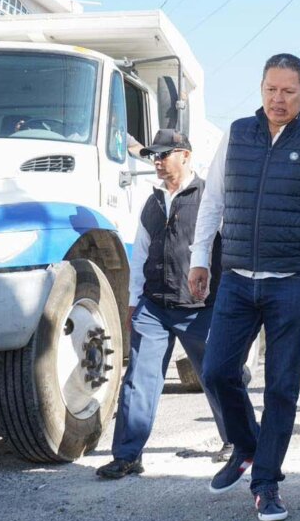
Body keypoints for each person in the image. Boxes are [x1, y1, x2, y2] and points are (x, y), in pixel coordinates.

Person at [189, 53, 300, 521]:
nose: (278, 99)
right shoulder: (237, 134)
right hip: (237, 278)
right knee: (217, 371)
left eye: (288, 92)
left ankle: (266, 484)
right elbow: (213, 200)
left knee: (281, 386)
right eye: (271, 89)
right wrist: (200, 259)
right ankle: (246, 445)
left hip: (292, 282)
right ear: (261, 89)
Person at [96, 129, 230, 479]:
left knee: (217, 375)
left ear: (185, 155)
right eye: (154, 155)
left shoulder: (210, 197)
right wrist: (133, 302)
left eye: (164, 154)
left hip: (201, 308)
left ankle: (236, 441)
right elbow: (141, 254)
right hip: (154, 305)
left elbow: (229, 250)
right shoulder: (152, 202)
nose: (157, 160)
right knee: (139, 380)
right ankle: (127, 455)